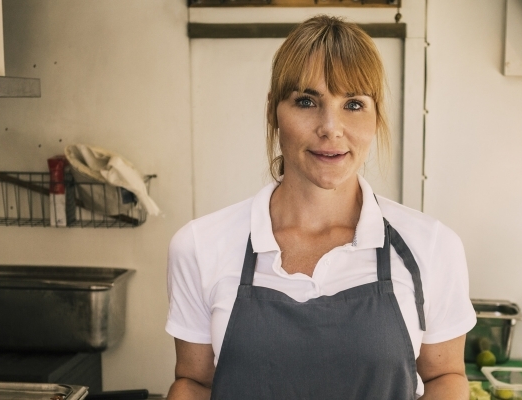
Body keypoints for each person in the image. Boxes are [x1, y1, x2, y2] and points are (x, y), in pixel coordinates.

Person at [165, 15, 475, 400]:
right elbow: (194, 384)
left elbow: (445, 377)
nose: (331, 127)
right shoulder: (199, 245)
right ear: (273, 112)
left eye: (354, 104)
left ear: (375, 118)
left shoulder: (432, 245)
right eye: (307, 101)